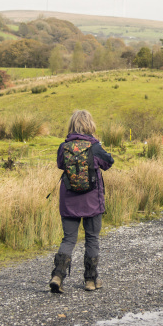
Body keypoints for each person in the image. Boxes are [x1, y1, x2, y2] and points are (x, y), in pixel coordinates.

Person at [50, 110, 114, 293]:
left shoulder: (64, 147)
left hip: (69, 201)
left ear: (72, 124)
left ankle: (58, 276)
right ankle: (91, 280)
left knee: (69, 238)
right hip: (92, 201)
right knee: (92, 239)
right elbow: (109, 162)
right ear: (89, 125)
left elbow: (60, 165)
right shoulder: (95, 147)